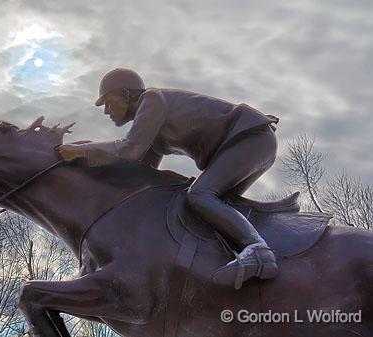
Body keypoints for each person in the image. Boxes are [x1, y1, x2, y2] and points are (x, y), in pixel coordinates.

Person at [58, 68, 279, 289]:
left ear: (126, 95)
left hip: (250, 139)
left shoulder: (152, 99)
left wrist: (83, 150)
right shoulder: (151, 130)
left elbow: (129, 150)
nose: (106, 111)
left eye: (108, 102)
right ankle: (243, 252)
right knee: (211, 209)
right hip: (252, 142)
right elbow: (142, 175)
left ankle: (258, 250)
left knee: (200, 194)